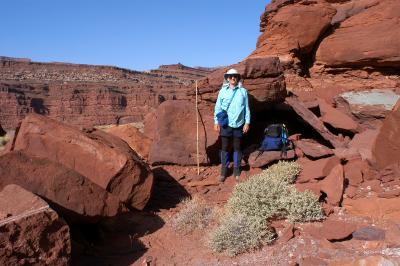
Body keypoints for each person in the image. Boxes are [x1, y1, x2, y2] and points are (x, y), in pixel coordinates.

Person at [214, 68, 250, 182]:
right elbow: (218, 107)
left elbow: (247, 109)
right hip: (226, 124)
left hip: (239, 124)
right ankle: (223, 172)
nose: (233, 78)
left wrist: (247, 122)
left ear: (238, 78)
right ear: (227, 79)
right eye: (230, 76)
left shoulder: (243, 91)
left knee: (237, 148)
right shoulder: (222, 91)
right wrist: (216, 122)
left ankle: (236, 170)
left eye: (235, 76)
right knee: (224, 148)